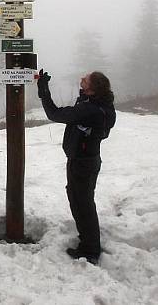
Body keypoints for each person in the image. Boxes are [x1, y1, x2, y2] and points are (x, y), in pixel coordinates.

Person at [37, 70, 116, 265]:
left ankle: (90, 250)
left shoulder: (90, 110)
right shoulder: (99, 105)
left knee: (83, 204)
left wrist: (43, 89)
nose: (81, 78)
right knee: (80, 200)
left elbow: (54, 113)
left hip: (82, 163)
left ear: (92, 88)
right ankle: (88, 242)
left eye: (86, 79)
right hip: (86, 160)